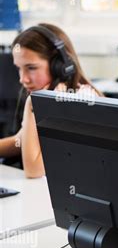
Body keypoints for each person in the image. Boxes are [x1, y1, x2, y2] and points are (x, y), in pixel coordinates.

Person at [0, 23, 101, 178]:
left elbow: (33, 169)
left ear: (59, 66)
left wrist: (31, 105)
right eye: (19, 68)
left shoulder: (80, 100)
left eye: (31, 68)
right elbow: (18, 142)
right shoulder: (52, 95)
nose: (22, 79)